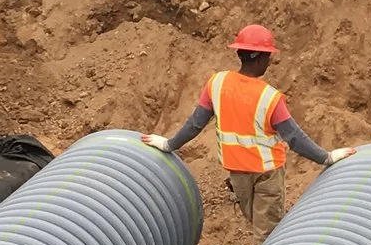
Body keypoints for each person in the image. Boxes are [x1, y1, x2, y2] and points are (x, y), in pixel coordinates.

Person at [145, 24, 352, 229]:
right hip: (267, 174)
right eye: (268, 57)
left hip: (238, 173)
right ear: (261, 58)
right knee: (266, 232)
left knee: (258, 225)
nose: (269, 62)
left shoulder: (217, 83)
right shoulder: (269, 97)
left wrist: (168, 144)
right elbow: (294, 137)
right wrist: (327, 157)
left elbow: (195, 124)